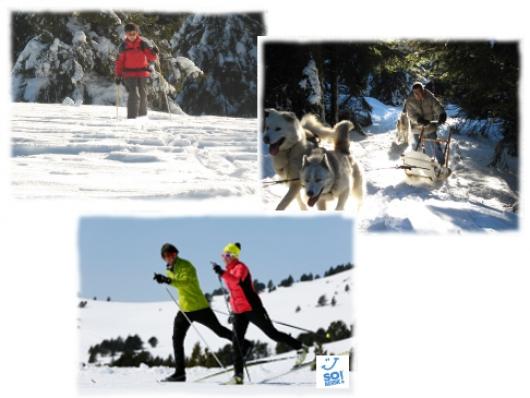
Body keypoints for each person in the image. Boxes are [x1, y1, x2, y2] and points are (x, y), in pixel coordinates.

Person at [212, 242, 308, 385]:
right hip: (239, 312)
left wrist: (222, 273)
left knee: (272, 334)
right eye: (222, 255)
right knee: (236, 343)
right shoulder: (228, 271)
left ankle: (300, 348)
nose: (224, 258)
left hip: (252, 308)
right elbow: (234, 293)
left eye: (226, 255)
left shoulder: (241, 268)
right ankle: (238, 376)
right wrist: (233, 312)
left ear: (233, 256)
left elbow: (236, 282)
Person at [154, 243, 251, 382]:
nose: (169, 258)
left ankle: (244, 344)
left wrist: (168, 280)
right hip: (185, 309)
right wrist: (164, 279)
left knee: (219, 331)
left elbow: (185, 282)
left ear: (176, 254)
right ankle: (179, 373)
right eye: (165, 256)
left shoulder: (187, 266)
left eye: (171, 254)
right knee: (177, 339)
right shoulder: (170, 268)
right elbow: (176, 283)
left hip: (199, 307)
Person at [115, 22, 158, 119]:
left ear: (137, 33)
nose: (132, 36)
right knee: (134, 94)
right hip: (128, 74)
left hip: (142, 73)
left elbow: (152, 57)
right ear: (126, 34)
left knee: (143, 94)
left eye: (134, 33)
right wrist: (118, 75)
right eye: (129, 34)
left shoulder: (143, 44)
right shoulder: (123, 46)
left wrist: (154, 52)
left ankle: (142, 116)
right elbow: (119, 62)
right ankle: (132, 117)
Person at [404, 81, 448, 165]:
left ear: (423, 90)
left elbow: (437, 105)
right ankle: (417, 164)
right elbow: (411, 115)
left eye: (420, 92)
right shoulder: (410, 100)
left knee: (434, 144)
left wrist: (442, 114)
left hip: (429, 125)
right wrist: (419, 120)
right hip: (417, 127)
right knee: (416, 146)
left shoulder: (429, 95)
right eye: (416, 93)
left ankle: (441, 164)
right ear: (413, 92)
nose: (419, 95)